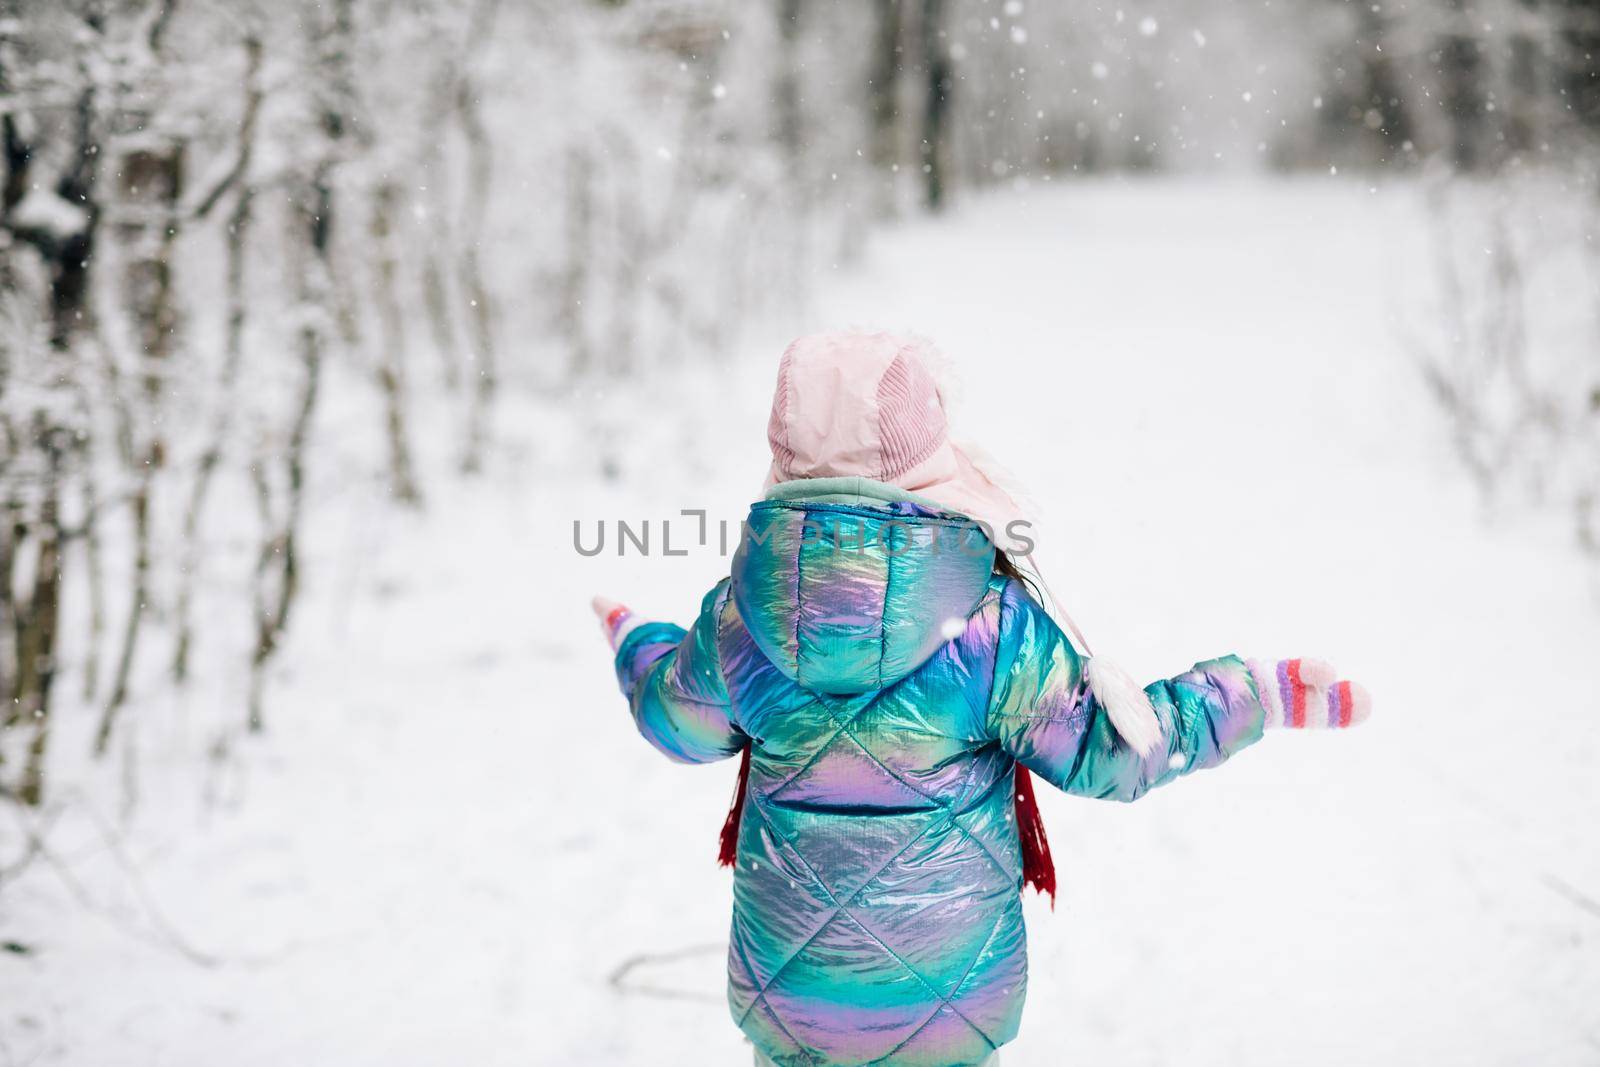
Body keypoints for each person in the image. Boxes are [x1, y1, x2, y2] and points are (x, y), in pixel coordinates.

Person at [592, 331, 1370, 1067]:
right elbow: (1114, 749)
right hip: (949, 1012)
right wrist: (1254, 694)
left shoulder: (741, 617)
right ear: (930, 459)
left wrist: (637, 640)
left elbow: (673, 715)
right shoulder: (990, 626)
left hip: (796, 1011)